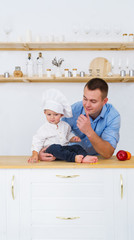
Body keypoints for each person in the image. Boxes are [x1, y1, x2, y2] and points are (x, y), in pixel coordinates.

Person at [39, 78, 120, 160]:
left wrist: (89, 131)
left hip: (97, 159)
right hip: (72, 157)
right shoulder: (73, 110)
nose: (87, 105)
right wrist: (42, 152)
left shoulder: (112, 116)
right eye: (85, 99)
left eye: (93, 101)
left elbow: (108, 153)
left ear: (104, 101)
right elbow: (53, 131)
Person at [28, 88, 98, 163]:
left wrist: (73, 138)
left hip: (64, 149)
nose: (52, 117)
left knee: (77, 147)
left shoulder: (65, 125)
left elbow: (67, 135)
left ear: (61, 115)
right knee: (54, 148)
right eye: (49, 114)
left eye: (56, 114)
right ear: (45, 113)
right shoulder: (44, 129)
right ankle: (74, 158)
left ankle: (84, 157)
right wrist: (35, 154)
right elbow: (37, 140)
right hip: (51, 152)